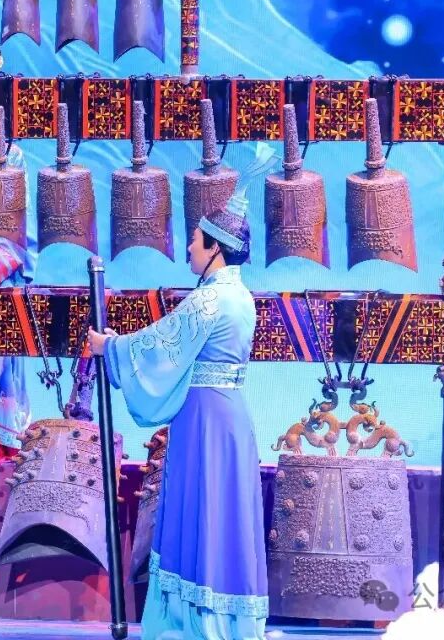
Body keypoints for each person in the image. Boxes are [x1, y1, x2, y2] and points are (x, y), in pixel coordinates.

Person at [88, 190, 268, 640]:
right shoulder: (241, 296)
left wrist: (110, 347)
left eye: (195, 240)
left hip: (205, 419)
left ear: (215, 248)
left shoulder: (212, 300)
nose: (188, 248)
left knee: (201, 507)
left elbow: (160, 344)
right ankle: (225, 620)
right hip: (228, 417)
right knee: (222, 513)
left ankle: (194, 623)